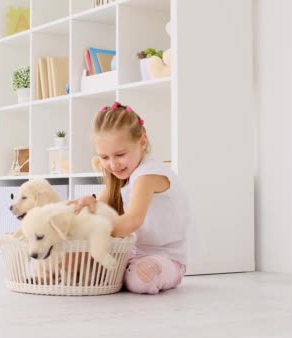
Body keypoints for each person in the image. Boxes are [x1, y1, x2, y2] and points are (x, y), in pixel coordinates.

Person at [69, 101, 202, 294]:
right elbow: (100, 210)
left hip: (166, 257)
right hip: (131, 254)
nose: (113, 164)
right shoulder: (120, 176)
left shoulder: (147, 175)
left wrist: (93, 230)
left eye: (120, 154)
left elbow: (133, 220)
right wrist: (87, 209)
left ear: (142, 141)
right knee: (77, 263)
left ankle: (151, 273)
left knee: (140, 279)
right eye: (104, 158)